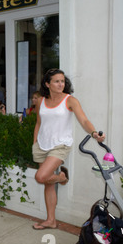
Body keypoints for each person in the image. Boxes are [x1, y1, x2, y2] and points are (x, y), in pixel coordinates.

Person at [32, 68, 105, 230]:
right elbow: (38, 122)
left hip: (60, 145)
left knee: (41, 177)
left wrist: (94, 133)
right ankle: (51, 220)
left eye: (62, 81)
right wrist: (35, 141)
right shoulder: (41, 101)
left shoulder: (70, 100)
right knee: (47, 184)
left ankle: (62, 177)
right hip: (42, 145)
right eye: (56, 81)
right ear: (47, 84)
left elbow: (84, 120)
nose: (60, 84)